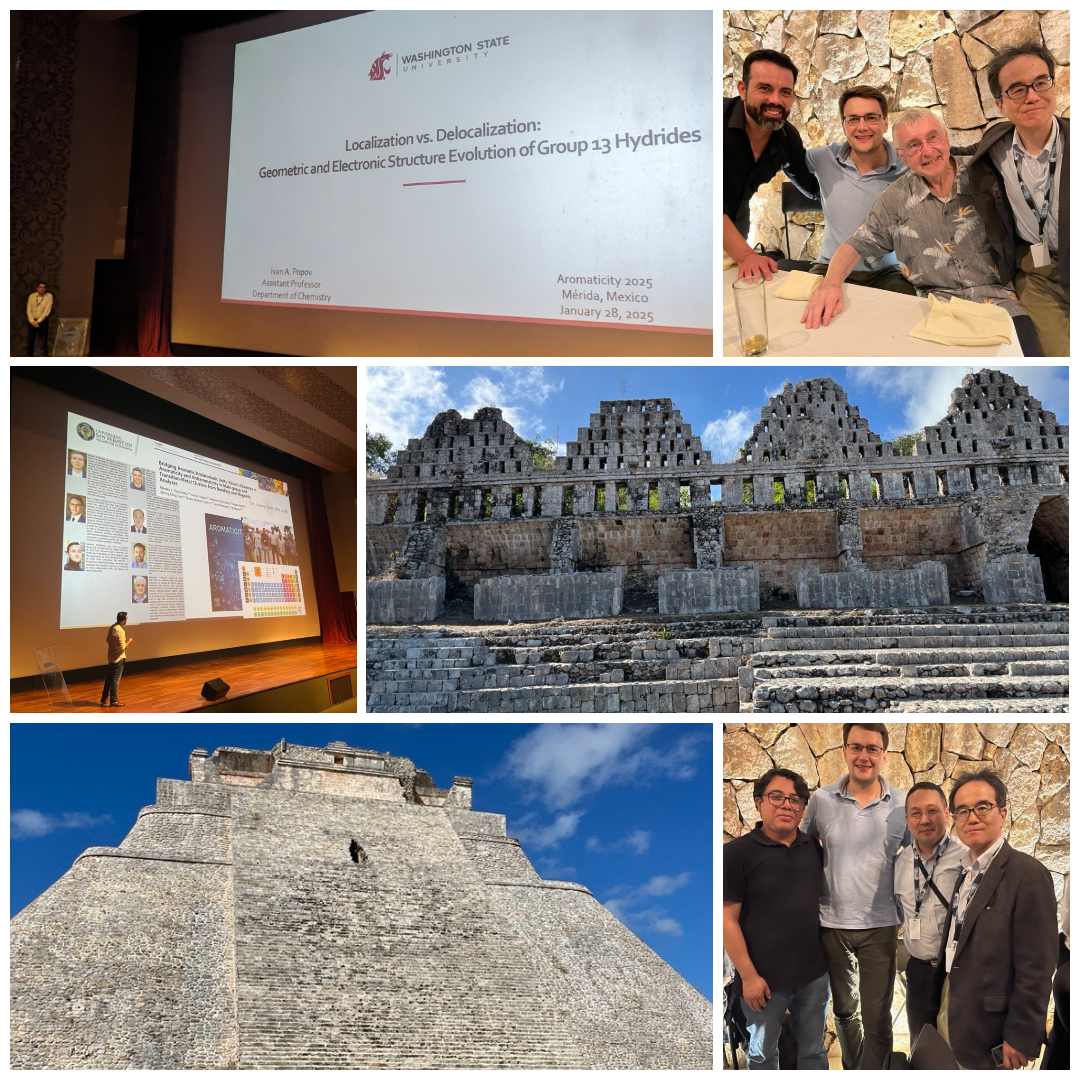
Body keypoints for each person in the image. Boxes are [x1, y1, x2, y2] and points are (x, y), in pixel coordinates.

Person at [801, 108, 1045, 355]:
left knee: (1029, 359)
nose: (927, 151)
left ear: (946, 138)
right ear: (902, 156)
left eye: (933, 137)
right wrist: (830, 284)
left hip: (1000, 303)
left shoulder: (987, 175)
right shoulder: (895, 198)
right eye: (914, 145)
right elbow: (857, 243)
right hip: (936, 308)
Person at [931, 768, 1058, 1069]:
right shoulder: (966, 870)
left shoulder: (1028, 874)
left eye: (982, 807)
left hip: (992, 1027)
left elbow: (1037, 966)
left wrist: (1022, 1034)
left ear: (1002, 813)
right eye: (963, 811)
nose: (972, 817)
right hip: (954, 1005)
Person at [802, 723, 909, 1070]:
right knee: (845, 1012)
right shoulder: (821, 801)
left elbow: (915, 860)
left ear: (884, 755)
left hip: (881, 926)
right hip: (832, 925)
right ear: (845, 751)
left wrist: (907, 911)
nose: (864, 756)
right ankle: (853, 1069)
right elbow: (803, 850)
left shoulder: (903, 804)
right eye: (856, 747)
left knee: (878, 1018)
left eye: (872, 748)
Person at [961, 42, 1069, 356]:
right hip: (1037, 274)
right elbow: (949, 156)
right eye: (1018, 89)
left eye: (1040, 82)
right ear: (1000, 104)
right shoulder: (994, 147)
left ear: (1053, 85)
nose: (1032, 96)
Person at [723, 768, 830, 1069]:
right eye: (777, 797)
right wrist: (749, 977)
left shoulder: (814, 849)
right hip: (763, 980)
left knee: (814, 1051)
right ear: (758, 802)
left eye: (795, 800)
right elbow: (727, 920)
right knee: (762, 1055)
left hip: (814, 975)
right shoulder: (736, 853)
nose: (786, 805)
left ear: (803, 809)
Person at [805, 86, 916, 295]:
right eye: (853, 119)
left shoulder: (908, 165)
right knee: (807, 308)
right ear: (844, 125)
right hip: (828, 267)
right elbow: (786, 159)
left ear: (885, 123)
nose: (862, 127)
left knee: (905, 305)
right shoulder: (823, 158)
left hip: (886, 273)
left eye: (871, 118)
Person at [724, 49, 818, 281]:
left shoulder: (788, 139)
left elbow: (811, 187)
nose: (776, 100)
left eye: (785, 92)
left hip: (733, 235)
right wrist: (747, 256)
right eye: (765, 88)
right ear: (742, 89)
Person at [894, 782, 968, 1041]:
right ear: (907, 820)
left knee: (959, 1046)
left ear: (947, 814)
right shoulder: (900, 863)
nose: (924, 820)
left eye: (932, 811)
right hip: (920, 971)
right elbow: (899, 914)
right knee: (922, 1044)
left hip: (959, 971)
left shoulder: (967, 857)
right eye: (916, 813)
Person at [100, 611, 133, 707]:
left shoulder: (112, 628)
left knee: (109, 678)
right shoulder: (121, 631)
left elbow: (107, 640)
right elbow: (122, 647)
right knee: (115, 679)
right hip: (118, 658)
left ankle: (103, 699)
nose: (126, 621)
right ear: (123, 621)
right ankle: (114, 700)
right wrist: (129, 641)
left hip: (111, 657)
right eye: (126, 619)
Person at [27, 281, 52, 356]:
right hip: (32, 321)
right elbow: (29, 310)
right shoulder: (32, 296)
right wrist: (32, 321)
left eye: (44, 287)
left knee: (43, 343)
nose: (42, 289)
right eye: (40, 287)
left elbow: (47, 311)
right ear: (37, 288)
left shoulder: (48, 296)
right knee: (30, 342)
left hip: (42, 321)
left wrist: (38, 321)